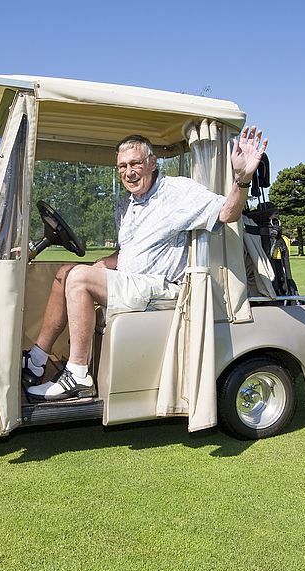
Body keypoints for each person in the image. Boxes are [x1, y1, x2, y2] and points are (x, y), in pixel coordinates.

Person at [25, 126, 268, 401]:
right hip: (133, 282)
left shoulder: (178, 193)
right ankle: (36, 359)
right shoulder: (126, 204)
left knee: (79, 278)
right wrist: (102, 264)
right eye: (122, 167)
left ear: (152, 163)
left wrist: (242, 179)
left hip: (161, 287)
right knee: (66, 273)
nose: (129, 172)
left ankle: (78, 375)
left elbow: (228, 213)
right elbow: (131, 250)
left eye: (135, 164)